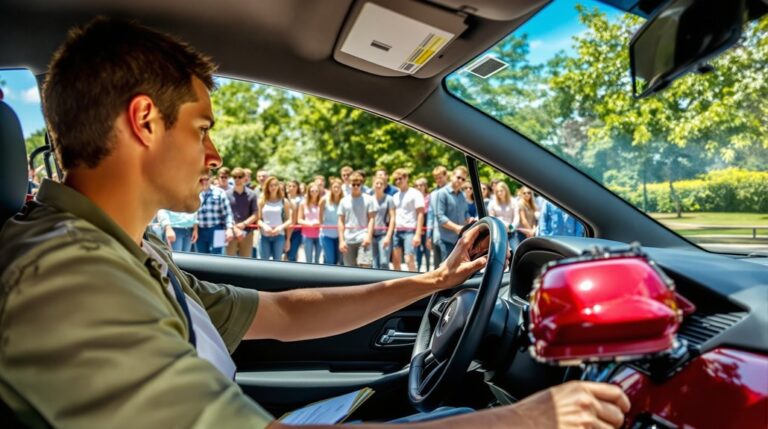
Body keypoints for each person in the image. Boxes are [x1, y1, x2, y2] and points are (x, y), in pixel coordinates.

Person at [0, 18, 630, 429]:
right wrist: (526, 418)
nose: (213, 154)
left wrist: (430, 284)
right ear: (144, 122)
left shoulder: (132, 254)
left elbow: (287, 313)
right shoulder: (67, 276)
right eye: (202, 129)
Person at [338, 172, 376, 267]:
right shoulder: (344, 201)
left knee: (365, 266)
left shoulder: (369, 199)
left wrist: (369, 236)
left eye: (358, 184)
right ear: (349, 185)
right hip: (348, 239)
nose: (355, 187)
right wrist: (341, 240)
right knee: (349, 269)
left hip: (363, 237)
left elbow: (371, 219)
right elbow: (340, 221)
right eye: (353, 184)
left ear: (361, 185)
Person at [391, 168, 425, 272]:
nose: (398, 181)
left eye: (400, 178)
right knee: (395, 261)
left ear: (406, 178)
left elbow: (420, 214)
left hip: (410, 231)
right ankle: (398, 286)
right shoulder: (395, 196)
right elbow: (393, 216)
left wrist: (418, 234)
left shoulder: (415, 193)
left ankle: (414, 286)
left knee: (409, 260)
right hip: (397, 231)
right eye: (396, 179)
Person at [435, 166, 472, 258]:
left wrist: (469, 219)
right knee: (446, 271)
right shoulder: (442, 193)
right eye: (458, 177)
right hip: (446, 240)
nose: (460, 180)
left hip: (460, 240)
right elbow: (440, 217)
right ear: (452, 176)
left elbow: (465, 212)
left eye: (463, 179)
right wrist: (457, 228)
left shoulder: (463, 195)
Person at [225, 167, 259, 257]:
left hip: (247, 232)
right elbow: (224, 213)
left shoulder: (252, 194)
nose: (237, 179)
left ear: (245, 178)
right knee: (229, 261)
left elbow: (256, 214)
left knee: (246, 261)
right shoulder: (226, 194)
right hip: (230, 232)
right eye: (234, 177)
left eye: (240, 177)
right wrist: (234, 228)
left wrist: (244, 224)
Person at [198, 173, 235, 254]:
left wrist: (229, 228)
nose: (204, 182)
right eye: (201, 179)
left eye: (206, 179)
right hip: (199, 230)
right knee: (201, 259)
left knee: (218, 258)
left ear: (211, 179)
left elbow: (227, 213)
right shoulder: (195, 192)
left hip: (217, 229)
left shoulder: (220, 192)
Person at [258, 176, 292, 261]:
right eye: (271, 185)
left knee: (277, 261)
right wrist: (265, 226)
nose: (273, 187)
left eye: (275, 185)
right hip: (264, 236)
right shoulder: (262, 200)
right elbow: (258, 219)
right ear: (267, 187)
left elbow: (289, 220)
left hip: (279, 235)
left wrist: (280, 227)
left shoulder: (284, 201)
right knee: (264, 261)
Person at [371, 176, 395, 269]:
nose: (379, 185)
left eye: (381, 184)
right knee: (374, 264)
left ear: (384, 186)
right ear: (373, 185)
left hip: (383, 234)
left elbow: (392, 218)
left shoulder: (389, 199)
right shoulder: (369, 199)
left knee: (384, 262)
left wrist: (388, 236)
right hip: (372, 234)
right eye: (377, 183)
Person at [427, 165, 449, 267]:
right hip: (436, 235)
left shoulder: (452, 192)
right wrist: (428, 235)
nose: (438, 180)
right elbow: (430, 216)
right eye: (436, 178)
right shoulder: (433, 194)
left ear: (446, 176)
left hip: (450, 236)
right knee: (436, 267)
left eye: (440, 177)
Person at [487, 182, 519, 249]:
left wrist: (512, 227)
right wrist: (504, 224)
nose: (499, 193)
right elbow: (492, 218)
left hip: (511, 233)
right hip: (499, 233)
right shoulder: (492, 203)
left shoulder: (513, 201)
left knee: (516, 251)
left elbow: (517, 217)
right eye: (497, 191)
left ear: (506, 190)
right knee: (502, 254)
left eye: (501, 191)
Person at [319, 178, 344, 265]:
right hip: (327, 234)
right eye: (334, 187)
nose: (336, 189)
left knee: (338, 260)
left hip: (340, 235)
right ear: (331, 188)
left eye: (338, 187)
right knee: (330, 260)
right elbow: (320, 216)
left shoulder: (344, 200)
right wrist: (321, 228)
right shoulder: (324, 200)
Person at [298, 182, 322, 264]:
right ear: (308, 191)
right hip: (307, 234)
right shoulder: (303, 203)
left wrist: (319, 222)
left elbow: (325, 218)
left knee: (317, 259)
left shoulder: (322, 203)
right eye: (312, 191)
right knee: (308, 260)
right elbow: (299, 220)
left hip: (320, 234)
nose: (314, 192)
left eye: (316, 191)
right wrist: (310, 224)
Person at [414, 177, 431, 272]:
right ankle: (418, 269)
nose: (419, 187)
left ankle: (428, 269)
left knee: (427, 250)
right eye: (417, 185)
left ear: (425, 186)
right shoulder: (414, 197)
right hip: (416, 227)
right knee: (417, 251)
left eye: (421, 185)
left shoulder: (429, 197)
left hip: (427, 226)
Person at [285, 179, 304, 262]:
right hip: (284, 230)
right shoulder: (283, 199)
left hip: (296, 231)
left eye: (294, 186)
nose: (291, 188)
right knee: (284, 253)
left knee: (292, 254)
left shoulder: (301, 200)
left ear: (297, 188)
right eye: (289, 186)